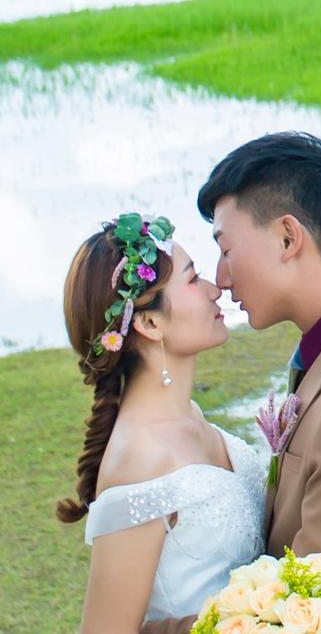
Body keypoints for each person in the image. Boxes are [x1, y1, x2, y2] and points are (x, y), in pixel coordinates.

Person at [67, 132, 321, 633]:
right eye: (197, 275)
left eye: (226, 249)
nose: (221, 280)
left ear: (287, 237)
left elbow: (299, 612)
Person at [59, 213, 265, 631]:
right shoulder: (139, 460)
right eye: (193, 280)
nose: (215, 290)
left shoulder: (191, 416)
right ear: (150, 323)